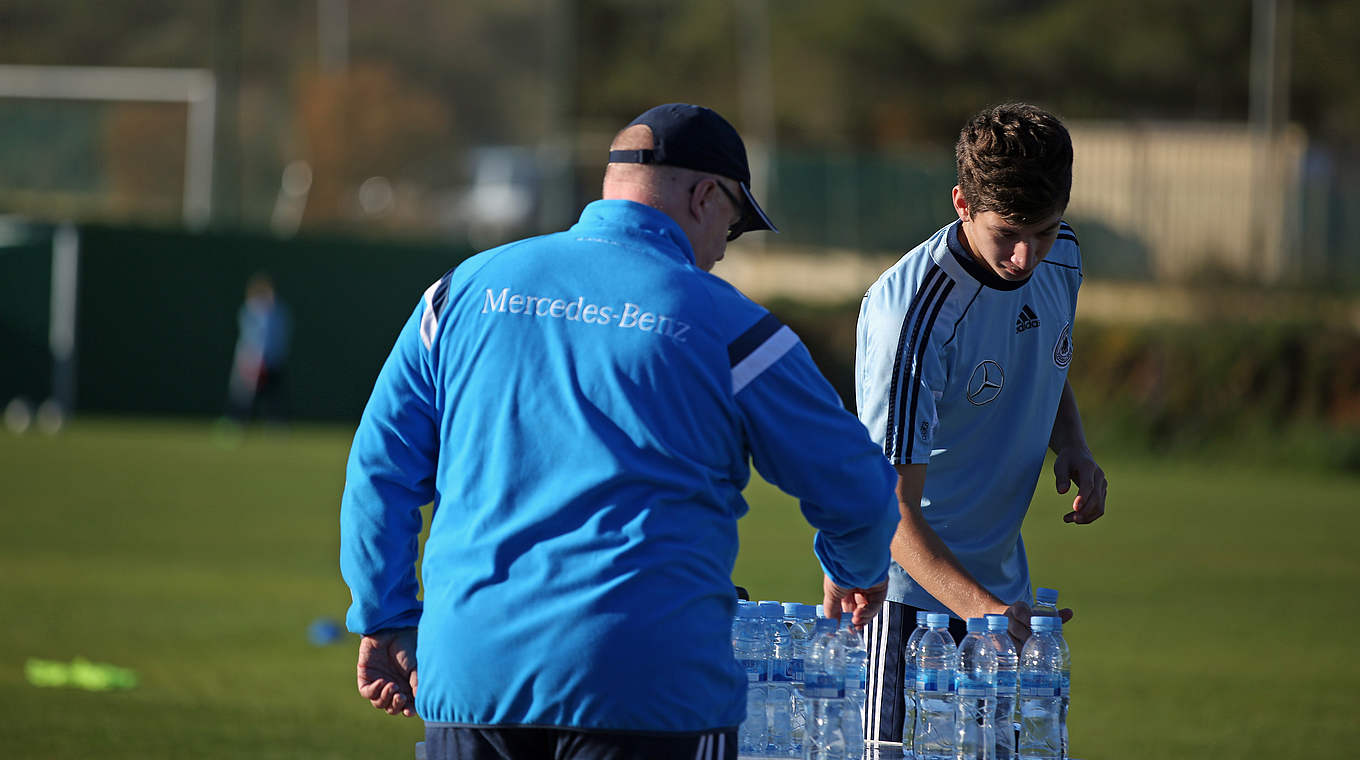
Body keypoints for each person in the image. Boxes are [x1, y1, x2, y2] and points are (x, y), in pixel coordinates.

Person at [339, 103, 899, 760]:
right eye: (734, 223)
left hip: (471, 670)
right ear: (703, 196)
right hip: (647, 685)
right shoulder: (733, 327)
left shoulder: (460, 291)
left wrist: (386, 616)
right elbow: (858, 494)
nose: (723, 247)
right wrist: (853, 571)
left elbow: (381, 468)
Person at [854, 103, 1109, 743]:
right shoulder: (912, 319)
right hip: (911, 609)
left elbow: (1041, 357)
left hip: (1002, 598)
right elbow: (888, 512)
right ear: (962, 203)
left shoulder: (1064, 255)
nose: (1025, 257)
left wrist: (1071, 442)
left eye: (1044, 231)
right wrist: (986, 616)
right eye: (1007, 234)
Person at [226, 272, 292, 424]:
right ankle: (235, 422)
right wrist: (252, 359)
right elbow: (250, 337)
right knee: (243, 393)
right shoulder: (250, 311)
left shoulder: (278, 311)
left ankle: (275, 423)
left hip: (272, 361)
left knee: (273, 394)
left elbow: (280, 337)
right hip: (251, 360)